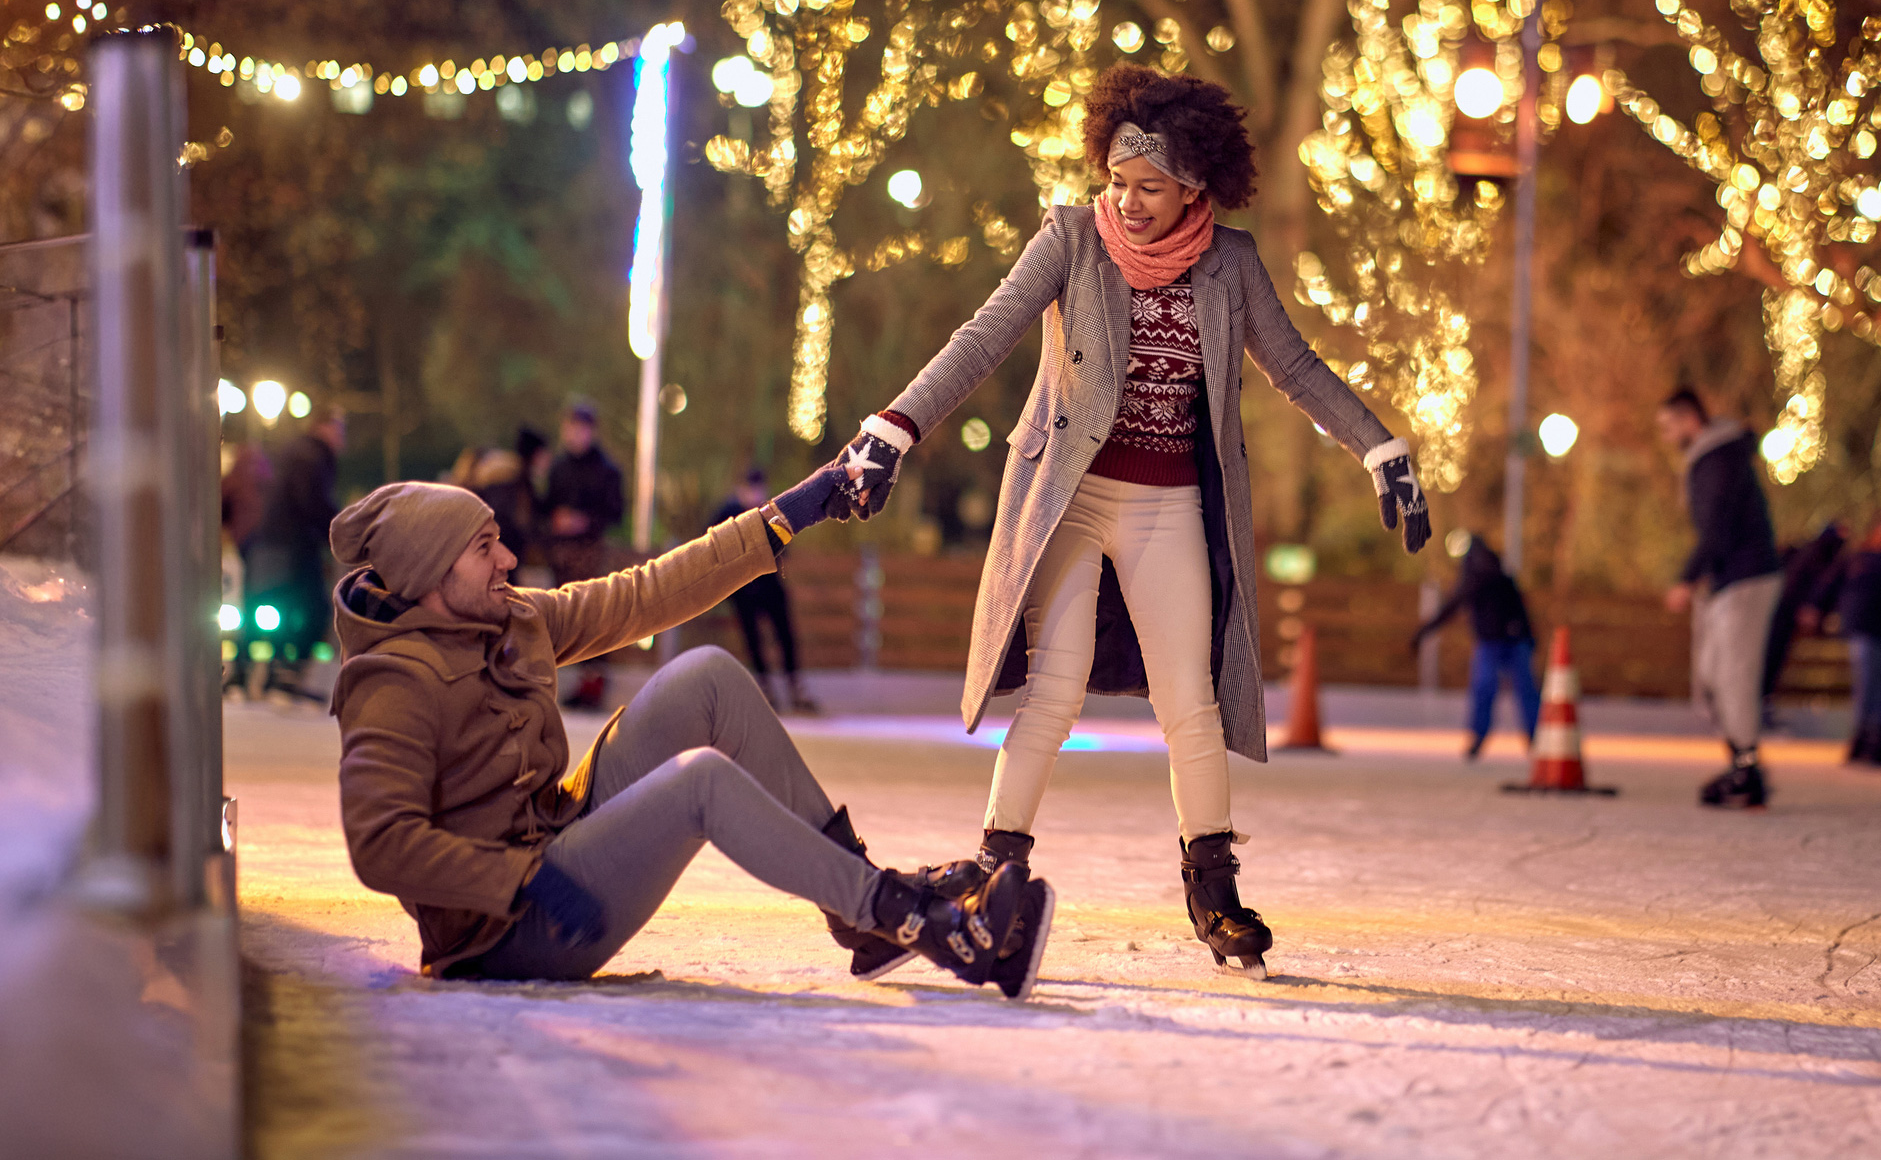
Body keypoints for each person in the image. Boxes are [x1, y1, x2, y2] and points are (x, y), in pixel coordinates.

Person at [821, 65, 1430, 980]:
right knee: (1053, 691)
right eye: (1116, 182)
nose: (1128, 202)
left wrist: (1380, 448)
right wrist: (892, 427)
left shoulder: (1229, 264)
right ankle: (997, 868)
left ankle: (1212, 888)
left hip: (1169, 503)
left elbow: (1295, 367)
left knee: (1190, 698)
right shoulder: (1070, 241)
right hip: (1068, 497)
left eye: (1149, 187)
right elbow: (981, 338)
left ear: (1196, 187)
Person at [324, 473, 1054, 998]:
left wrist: (779, 519)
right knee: (698, 781)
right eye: (485, 548)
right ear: (426, 572)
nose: (508, 560)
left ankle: (858, 914)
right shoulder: (391, 682)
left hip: (552, 841)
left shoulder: (508, 616)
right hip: (509, 926)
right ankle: (922, 925)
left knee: (706, 674)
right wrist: (519, 881)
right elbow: (380, 843)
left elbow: (644, 594)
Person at [1655, 388, 1783, 808]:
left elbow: (1718, 527)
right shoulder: (1710, 458)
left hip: (1746, 578)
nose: (1666, 435)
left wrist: (1687, 579)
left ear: (1690, 418)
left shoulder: (1717, 459)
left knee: (1734, 674)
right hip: (1727, 580)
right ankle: (1740, 760)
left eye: (1669, 425)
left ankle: (1747, 769)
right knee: (1710, 675)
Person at [1411, 534, 1537, 759]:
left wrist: (1528, 637)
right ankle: (1481, 738)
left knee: (1519, 691)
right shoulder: (1482, 580)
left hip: (1514, 642)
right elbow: (1448, 610)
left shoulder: (1497, 580)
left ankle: (1534, 738)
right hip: (1493, 643)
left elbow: (1521, 611)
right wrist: (1423, 632)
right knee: (1486, 689)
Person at [709, 467, 819, 715]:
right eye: (751, 488)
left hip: (769, 583)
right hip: (743, 587)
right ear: (741, 489)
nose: (755, 494)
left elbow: (784, 545)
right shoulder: (728, 513)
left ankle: (794, 684)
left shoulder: (770, 512)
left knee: (785, 632)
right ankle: (765, 686)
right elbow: (709, 543)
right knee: (753, 638)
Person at [246, 406, 347, 661]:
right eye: (339, 429)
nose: (341, 438)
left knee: (281, 603)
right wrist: (341, 531)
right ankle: (289, 668)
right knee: (313, 608)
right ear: (324, 427)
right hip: (295, 543)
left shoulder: (299, 451)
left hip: (278, 540)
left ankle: (275, 668)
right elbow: (312, 500)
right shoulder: (312, 456)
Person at [544, 399, 626, 709]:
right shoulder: (558, 467)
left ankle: (593, 684)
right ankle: (569, 681)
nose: (575, 434)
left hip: (591, 553)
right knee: (564, 615)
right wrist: (556, 520)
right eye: (570, 428)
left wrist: (586, 521)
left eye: (580, 428)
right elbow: (545, 506)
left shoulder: (606, 470)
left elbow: (616, 512)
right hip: (561, 554)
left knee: (593, 613)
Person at [1807, 519, 1881, 765]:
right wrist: (1815, 606)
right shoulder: (1858, 557)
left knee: (1876, 688)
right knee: (1867, 685)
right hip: (1863, 629)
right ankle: (1863, 741)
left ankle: (1873, 742)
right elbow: (1830, 583)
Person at [1761, 522, 1845, 721]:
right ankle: (1761, 704)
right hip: (1782, 613)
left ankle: (1763, 703)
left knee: (1772, 658)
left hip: (1781, 612)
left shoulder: (1815, 553)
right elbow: (1797, 583)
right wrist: (1806, 606)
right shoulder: (1815, 554)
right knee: (1771, 657)